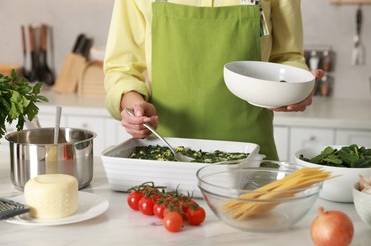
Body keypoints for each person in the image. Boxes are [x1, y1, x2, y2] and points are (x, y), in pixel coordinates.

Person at [103, 0, 324, 160]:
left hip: (252, 156)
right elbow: (121, 68)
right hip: (167, 153)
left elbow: (287, 57)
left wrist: (299, 85)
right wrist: (134, 107)